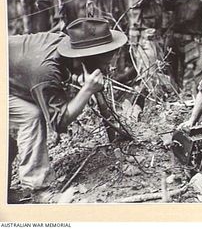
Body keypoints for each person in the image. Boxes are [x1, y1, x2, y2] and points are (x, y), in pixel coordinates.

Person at [8, 17, 127, 201]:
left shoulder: (61, 48)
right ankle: (39, 192)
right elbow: (58, 122)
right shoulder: (46, 71)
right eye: (105, 60)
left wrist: (76, 79)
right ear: (86, 58)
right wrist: (87, 90)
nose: (110, 65)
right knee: (29, 116)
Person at [164, 0, 202, 90]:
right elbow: (166, 5)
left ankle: (189, 95)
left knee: (192, 72)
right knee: (172, 71)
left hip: (192, 41)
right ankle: (175, 94)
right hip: (174, 39)